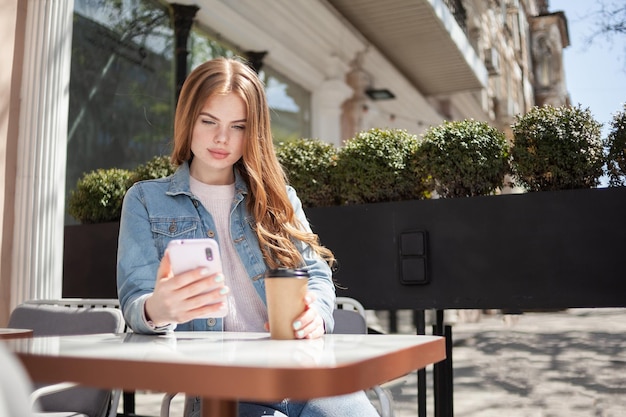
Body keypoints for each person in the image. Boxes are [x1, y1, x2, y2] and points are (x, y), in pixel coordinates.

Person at [116, 57, 380, 417]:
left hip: (304, 376)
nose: (222, 138)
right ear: (187, 119)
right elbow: (135, 302)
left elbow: (316, 276)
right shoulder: (145, 200)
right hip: (224, 390)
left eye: (238, 126)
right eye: (208, 121)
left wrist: (316, 315)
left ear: (252, 131)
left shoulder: (279, 198)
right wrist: (158, 310)